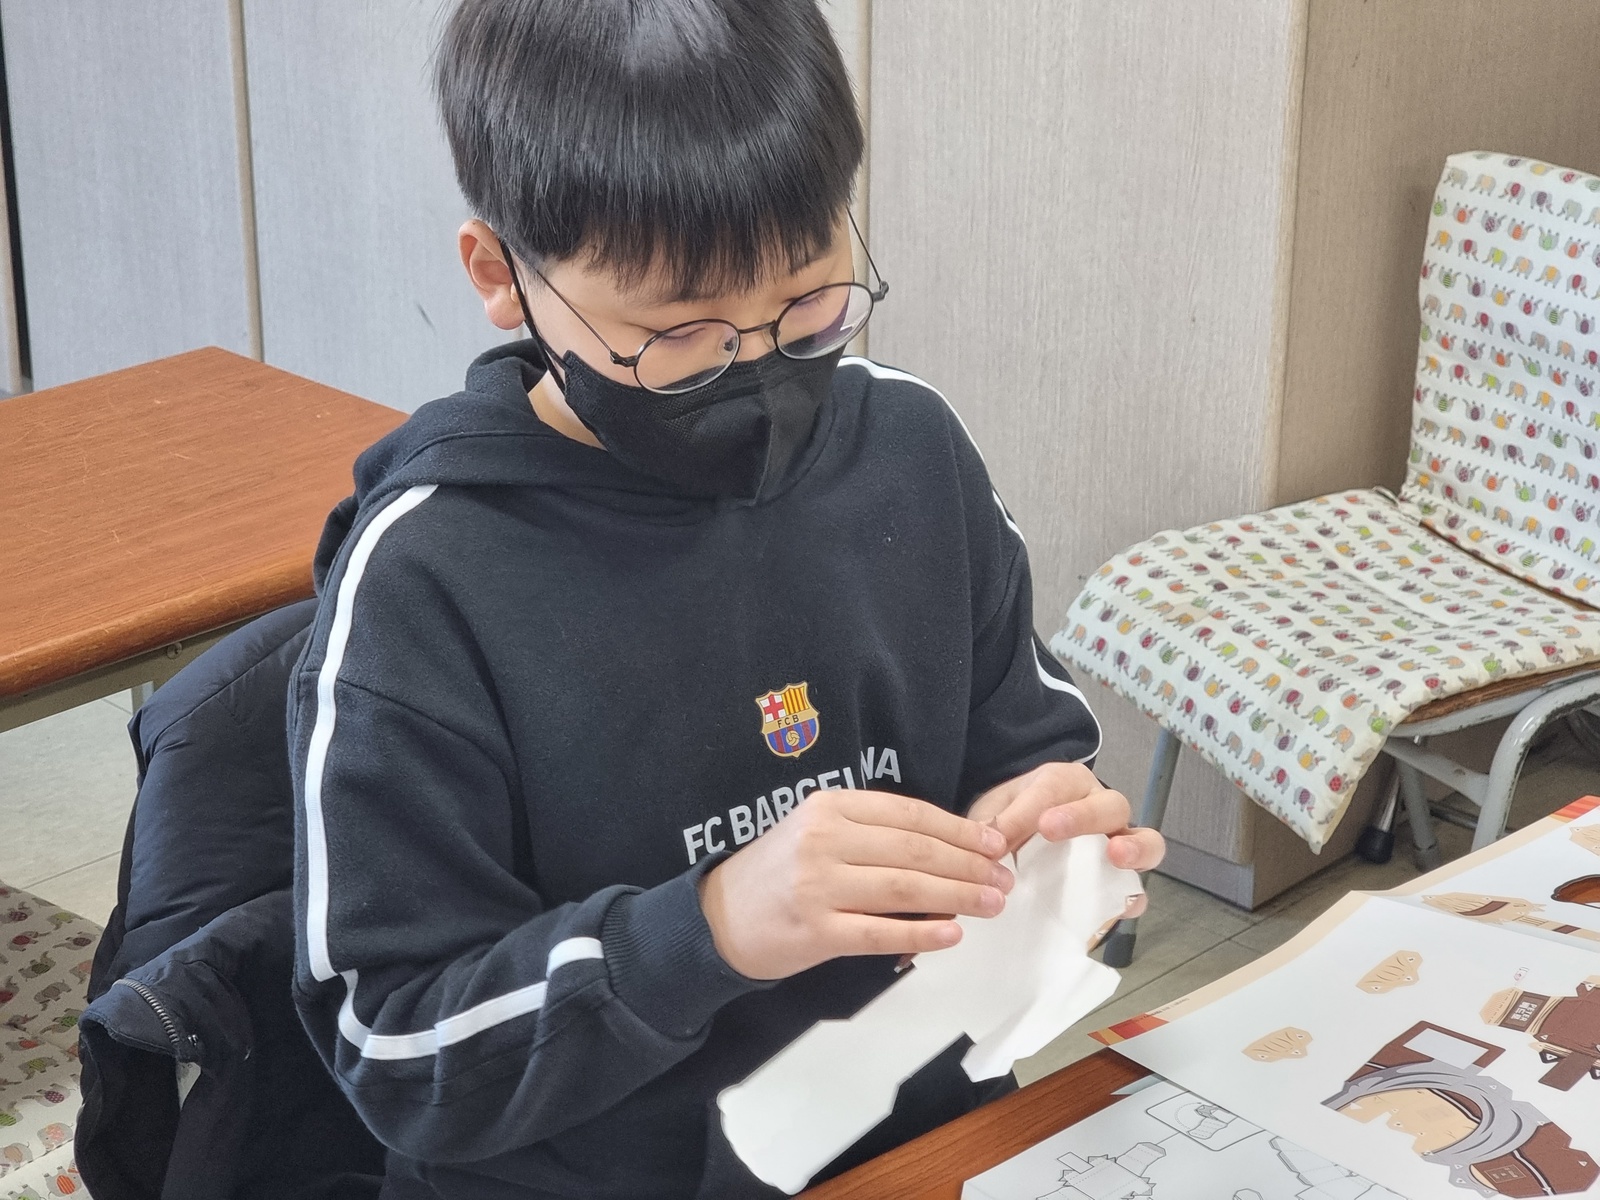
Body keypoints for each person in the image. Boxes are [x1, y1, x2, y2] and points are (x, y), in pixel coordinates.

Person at [289, 1, 1165, 1196]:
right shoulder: (429, 579)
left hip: (915, 1145)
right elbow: (394, 1053)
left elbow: (1028, 753)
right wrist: (705, 931)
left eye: (810, 301)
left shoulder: (908, 452)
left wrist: (1058, 845)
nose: (755, 367)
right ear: (502, 275)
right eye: (680, 334)